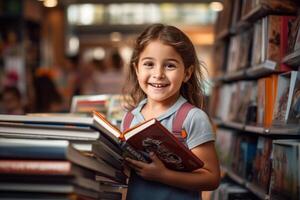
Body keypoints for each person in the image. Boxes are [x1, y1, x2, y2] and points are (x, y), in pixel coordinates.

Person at [121, 23, 220, 200]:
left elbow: (211, 178)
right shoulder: (129, 119)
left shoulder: (193, 118)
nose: (158, 74)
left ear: (187, 73)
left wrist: (163, 175)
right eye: (149, 64)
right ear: (137, 70)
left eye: (170, 66)